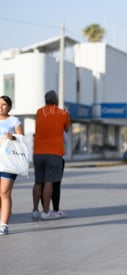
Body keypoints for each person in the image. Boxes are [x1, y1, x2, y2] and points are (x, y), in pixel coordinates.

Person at [32, 90, 69, 220]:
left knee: (38, 182)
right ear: (57, 101)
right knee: (49, 182)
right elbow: (66, 129)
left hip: (38, 152)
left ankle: (35, 210)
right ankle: (46, 212)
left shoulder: (39, 112)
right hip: (54, 152)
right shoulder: (63, 113)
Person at [0, 96, 24, 235]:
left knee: (4, 192)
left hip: (9, 162)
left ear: (9, 107)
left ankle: (4, 225)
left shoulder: (14, 121)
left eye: (3, 104)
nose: (0, 107)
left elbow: (21, 139)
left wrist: (12, 137)